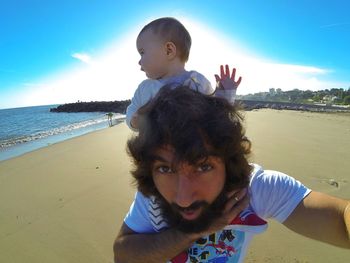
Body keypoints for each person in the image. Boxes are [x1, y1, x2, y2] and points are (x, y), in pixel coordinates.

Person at [114, 86, 350, 262]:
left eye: (203, 166)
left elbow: (341, 217)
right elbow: (122, 253)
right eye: (165, 168)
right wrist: (193, 231)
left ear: (229, 163)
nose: (183, 198)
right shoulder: (153, 196)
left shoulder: (254, 191)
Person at [126, 17, 242, 130]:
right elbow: (132, 111)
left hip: (193, 147)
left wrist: (225, 94)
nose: (139, 61)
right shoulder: (144, 88)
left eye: (142, 52)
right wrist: (135, 120)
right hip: (156, 146)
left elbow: (216, 113)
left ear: (169, 50)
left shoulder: (197, 81)